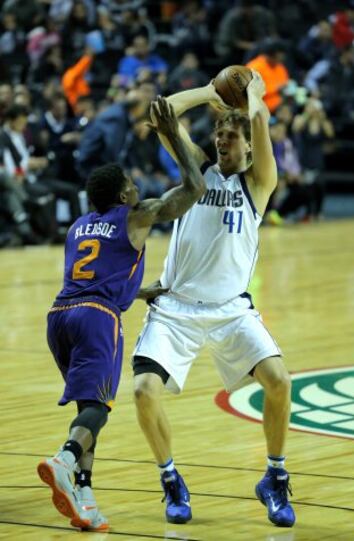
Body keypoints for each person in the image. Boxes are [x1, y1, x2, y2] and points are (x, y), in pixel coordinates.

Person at [133, 72, 296, 527]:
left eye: (231, 135)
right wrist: (210, 92)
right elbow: (160, 111)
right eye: (219, 132)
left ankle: (275, 479)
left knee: (279, 381)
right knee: (144, 391)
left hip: (231, 309)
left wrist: (255, 97)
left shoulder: (258, 183)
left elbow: (260, 124)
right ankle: (170, 479)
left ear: (246, 147)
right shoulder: (197, 171)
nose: (222, 139)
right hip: (176, 305)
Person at [36, 96, 206, 532]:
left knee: (87, 406)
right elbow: (194, 191)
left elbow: (99, 272)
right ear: (123, 195)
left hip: (60, 316)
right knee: (100, 409)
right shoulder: (136, 214)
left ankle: (85, 496)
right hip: (97, 317)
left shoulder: (79, 225)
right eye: (130, 184)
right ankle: (64, 460)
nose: (136, 187)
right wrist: (171, 135)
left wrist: (141, 290)